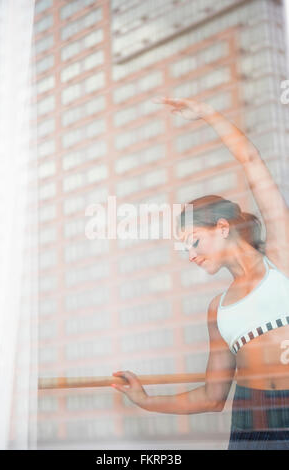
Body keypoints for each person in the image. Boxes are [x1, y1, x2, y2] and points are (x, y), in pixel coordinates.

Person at [112, 98, 289, 450]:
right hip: (252, 425)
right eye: (183, 250)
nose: (189, 255)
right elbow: (212, 396)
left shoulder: (281, 259)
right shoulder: (217, 310)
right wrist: (145, 400)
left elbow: (250, 161)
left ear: (223, 227)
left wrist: (209, 114)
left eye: (193, 241)